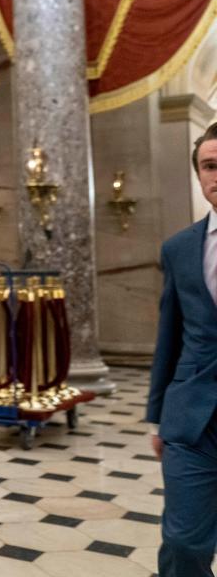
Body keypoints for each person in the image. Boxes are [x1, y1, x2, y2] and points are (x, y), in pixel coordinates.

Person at [148, 121, 217, 577]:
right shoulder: (179, 248)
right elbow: (168, 336)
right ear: (198, 175)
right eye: (210, 166)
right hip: (193, 422)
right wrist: (156, 417)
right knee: (182, 542)